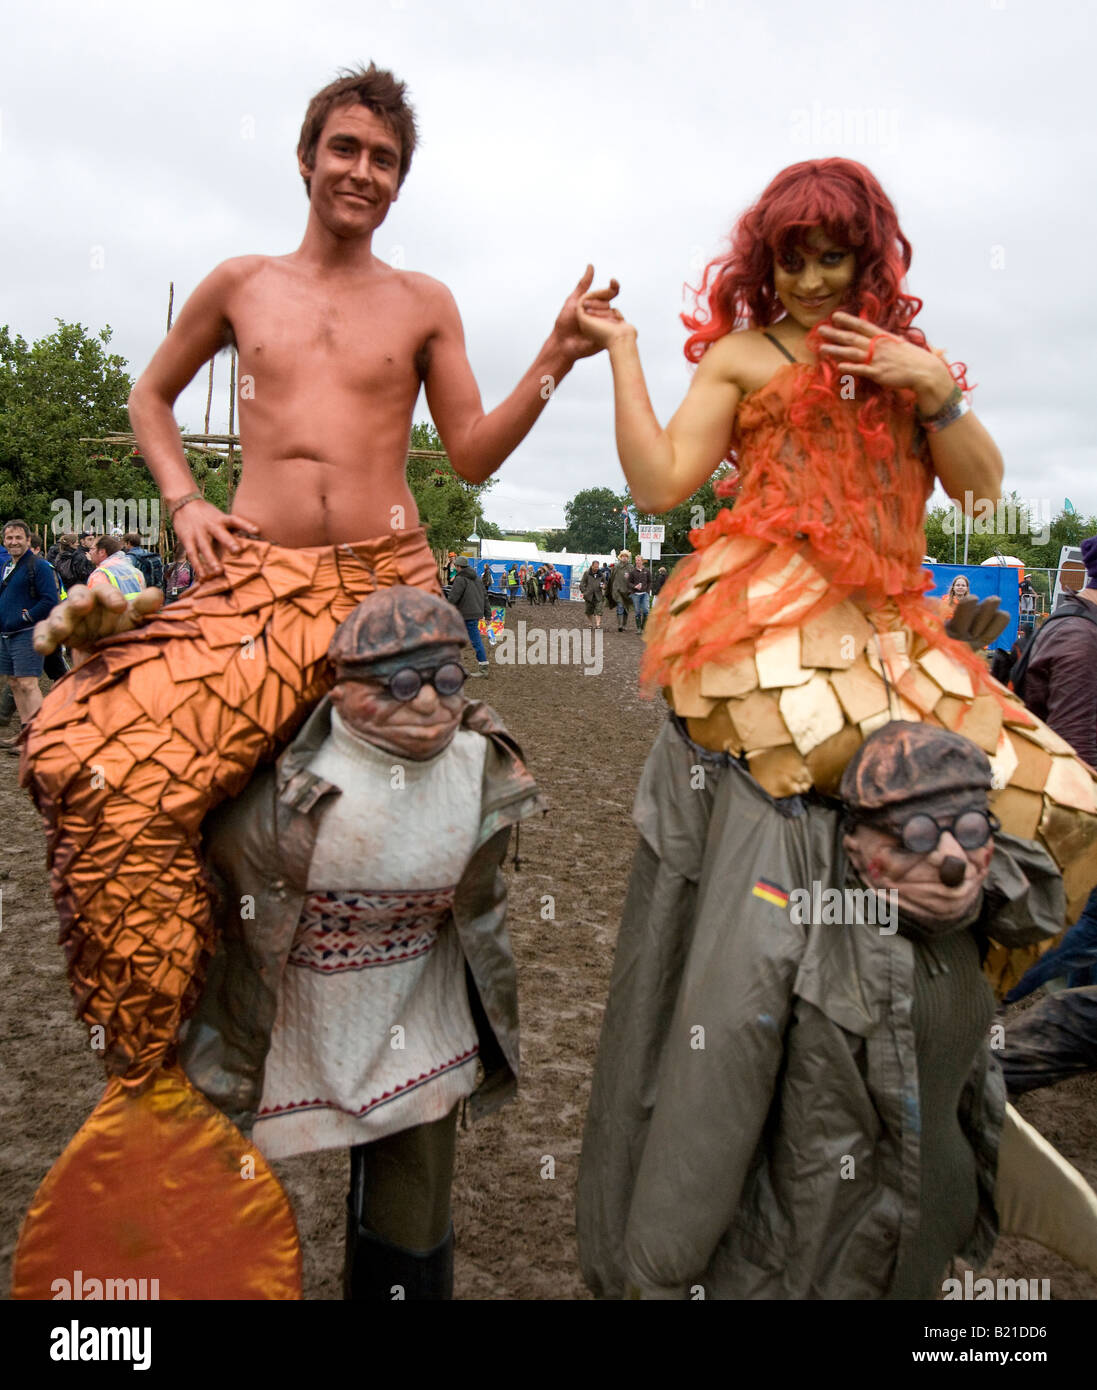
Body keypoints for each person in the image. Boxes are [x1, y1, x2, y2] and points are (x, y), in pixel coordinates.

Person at [15, 62, 613, 1301]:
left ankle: (410, 1131)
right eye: (344, 149)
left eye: (383, 160)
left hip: (386, 589)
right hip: (251, 580)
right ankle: (153, 1078)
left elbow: (470, 448)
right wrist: (180, 498)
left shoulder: (426, 300)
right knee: (81, 756)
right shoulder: (243, 283)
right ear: (306, 158)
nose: (361, 172)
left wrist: (555, 351)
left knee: (452, 821)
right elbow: (148, 391)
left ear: (399, 182)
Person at [575, 156, 1097, 985]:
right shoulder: (742, 355)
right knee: (813, 779)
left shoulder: (909, 363)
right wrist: (623, 353)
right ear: (765, 263)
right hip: (773, 620)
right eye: (792, 260)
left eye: (831, 258)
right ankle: (803, 977)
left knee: (1065, 803)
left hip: (895, 632)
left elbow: (984, 504)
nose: (811, 280)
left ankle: (939, 991)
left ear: (867, 260)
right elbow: (658, 483)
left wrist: (933, 389)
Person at [577, 721, 1097, 1298]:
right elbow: (713, 1102)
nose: (951, 860)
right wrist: (660, 1273)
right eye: (915, 835)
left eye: (971, 828)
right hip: (836, 1265)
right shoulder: (818, 924)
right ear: (854, 846)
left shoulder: (974, 916)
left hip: (929, 1251)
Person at [174, 588, 544, 1299]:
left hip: (420, 1016)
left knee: (412, 1204)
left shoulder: (483, 767)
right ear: (341, 689)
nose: (428, 703)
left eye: (445, 679)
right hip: (284, 1012)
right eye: (399, 684)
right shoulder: (270, 779)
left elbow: (483, 903)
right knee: (214, 1192)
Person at [0, 519, 60, 750]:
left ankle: (38, 738)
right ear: (4, 541)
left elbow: (49, 600)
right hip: (7, 634)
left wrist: (26, 618)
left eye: (18, 538)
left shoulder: (40, 566)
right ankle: (26, 734)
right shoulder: (8, 566)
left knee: (28, 683)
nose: (13, 542)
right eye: (9, 538)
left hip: (27, 632)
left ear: (28, 540)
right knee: (15, 683)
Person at [446, 555, 491, 677]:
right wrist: (488, 616)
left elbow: (453, 597)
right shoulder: (476, 578)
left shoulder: (460, 579)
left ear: (459, 567)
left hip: (464, 614)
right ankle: (482, 667)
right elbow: (485, 597)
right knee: (473, 640)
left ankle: (482, 668)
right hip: (475, 614)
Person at [608, 549, 634, 631]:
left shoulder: (631, 567)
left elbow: (634, 578)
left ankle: (624, 625)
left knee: (626, 608)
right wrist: (611, 588)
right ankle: (620, 625)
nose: (624, 558)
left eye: (626, 556)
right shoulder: (616, 567)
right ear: (620, 557)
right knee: (620, 607)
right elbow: (611, 578)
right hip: (618, 590)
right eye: (623, 556)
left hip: (627, 591)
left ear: (628, 558)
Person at [627, 555, 651, 631]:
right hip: (635, 594)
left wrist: (647, 591)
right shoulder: (632, 572)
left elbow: (650, 581)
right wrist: (634, 586)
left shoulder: (647, 571)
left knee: (646, 610)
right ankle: (639, 628)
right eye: (636, 560)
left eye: (639, 560)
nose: (637, 562)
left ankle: (643, 626)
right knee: (637, 611)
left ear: (642, 561)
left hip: (645, 593)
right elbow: (628, 583)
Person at [581, 560, 605, 628]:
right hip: (589, 596)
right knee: (588, 611)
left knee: (599, 611)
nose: (596, 568)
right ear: (592, 566)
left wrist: (604, 586)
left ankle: (598, 625)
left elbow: (605, 583)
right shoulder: (587, 573)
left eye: (597, 567)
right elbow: (582, 583)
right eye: (595, 567)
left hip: (599, 595)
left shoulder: (601, 574)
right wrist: (584, 592)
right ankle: (590, 624)